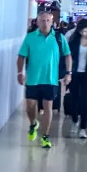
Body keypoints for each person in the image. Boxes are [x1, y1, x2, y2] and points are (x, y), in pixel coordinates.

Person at [16, 9, 72, 149]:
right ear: (37, 22)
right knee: (30, 105)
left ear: (52, 22)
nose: (45, 23)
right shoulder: (30, 37)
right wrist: (19, 72)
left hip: (51, 80)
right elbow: (21, 56)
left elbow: (67, 55)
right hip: (33, 79)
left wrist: (68, 73)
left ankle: (45, 137)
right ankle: (33, 124)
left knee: (48, 108)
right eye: (42, 20)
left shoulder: (59, 37)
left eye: (48, 20)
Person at [67, 19, 87, 139]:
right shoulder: (73, 41)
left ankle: (83, 127)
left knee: (85, 101)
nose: (84, 32)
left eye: (86, 30)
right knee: (74, 99)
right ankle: (75, 120)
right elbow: (68, 56)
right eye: (82, 30)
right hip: (74, 73)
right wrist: (67, 73)